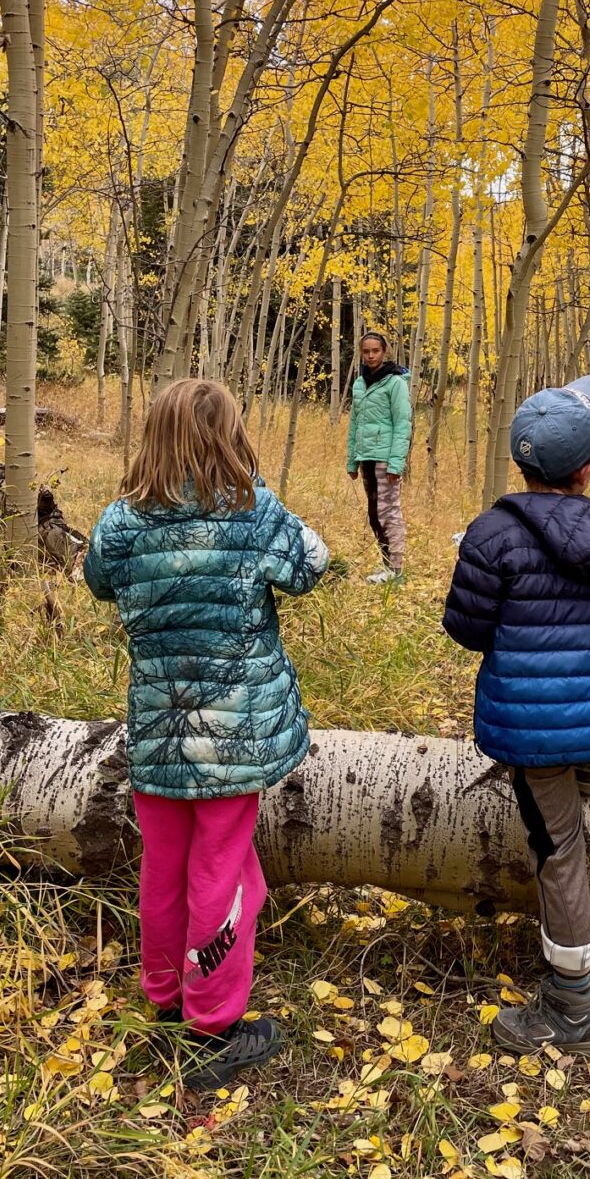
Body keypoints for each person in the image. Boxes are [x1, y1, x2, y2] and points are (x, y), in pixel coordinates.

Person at [83, 378, 329, 1089]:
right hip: (232, 738)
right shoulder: (249, 511)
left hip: (159, 732)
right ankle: (213, 1023)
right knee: (221, 873)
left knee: (163, 868)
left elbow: (98, 579)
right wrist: (254, 483)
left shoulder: (122, 521)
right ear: (230, 434)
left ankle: (164, 996)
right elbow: (313, 562)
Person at [443, 376, 590, 1054]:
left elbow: (467, 627)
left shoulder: (490, 533)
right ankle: (578, 800)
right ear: (589, 465)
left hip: (535, 725)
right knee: (571, 804)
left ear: (521, 463)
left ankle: (572, 1007)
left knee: (558, 849)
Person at [347, 331, 412, 582]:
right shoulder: (360, 383)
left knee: (388, 512)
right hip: (367, 457)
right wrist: (352, 460)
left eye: (376, 350)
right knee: (374, 513)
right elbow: (354, 424)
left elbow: (403, 424)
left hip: (386, 460)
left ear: (384, 352)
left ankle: (396, 570)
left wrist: (396, 463)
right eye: (366, 351)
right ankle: (386, 567)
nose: (371, 355)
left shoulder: (395, 383)